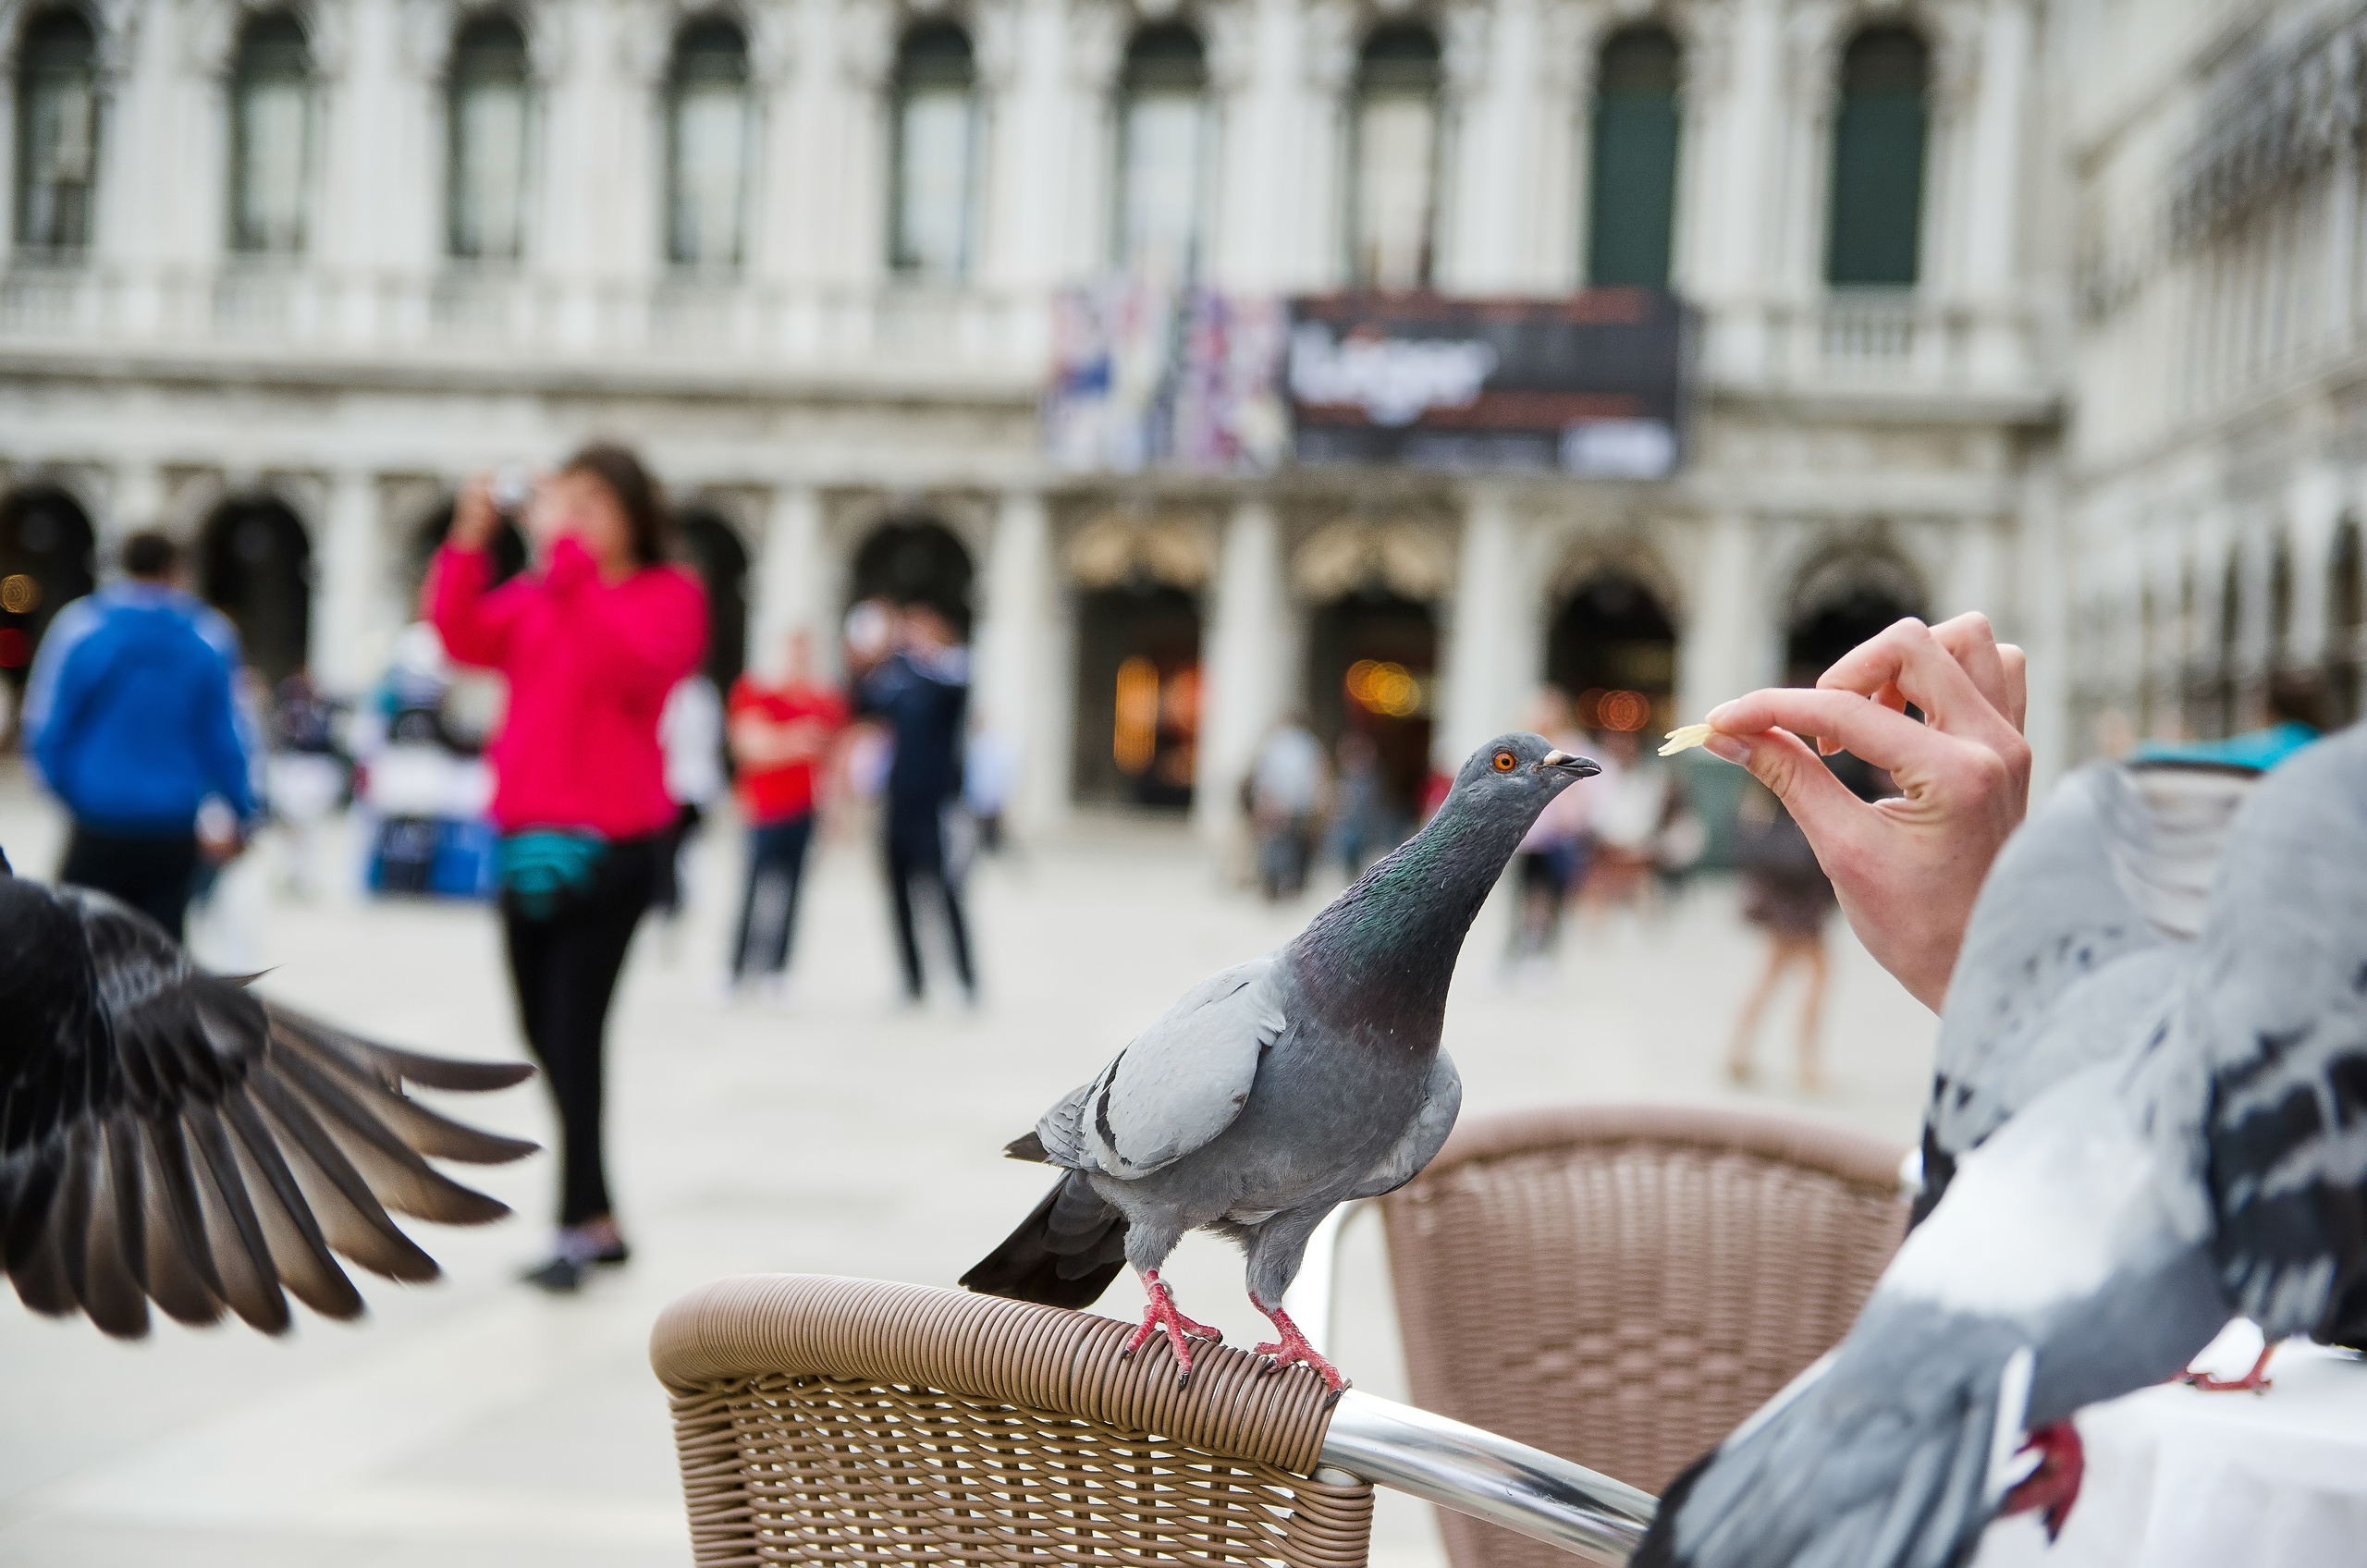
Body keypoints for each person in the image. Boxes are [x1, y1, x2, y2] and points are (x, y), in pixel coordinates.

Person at [424, 444, 706, 1292]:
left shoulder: (667, 595)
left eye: (593, 504)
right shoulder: (544, 594)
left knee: (576, 1033)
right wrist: (471, 537)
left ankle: (577, 1226)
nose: (573, 520)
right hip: (523, 837)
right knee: (542, 1030)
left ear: (632, 514)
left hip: (612, 845)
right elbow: (460, 634)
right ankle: (600, 1215)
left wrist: (568, 561)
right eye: (563, 502)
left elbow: (635, 668)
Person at [1690, 612, 2032, 1011]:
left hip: (1801, 880)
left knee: (1790, 971)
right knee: (1803, 973)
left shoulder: (1811, 750)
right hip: (1800, 882)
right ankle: (1782, 1060)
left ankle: (1762, 1056)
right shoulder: (1825, 750)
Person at [20, 531, 255, 941]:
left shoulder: (81, 628)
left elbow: (46, 726)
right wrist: (242, 811)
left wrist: (70, 791)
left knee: (82, 949)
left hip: (97, 819)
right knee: (159, 952)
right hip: (173, 825)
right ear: (174, 571)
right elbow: (226, 736)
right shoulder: (207, 636)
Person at [857, 602, 975, 1003]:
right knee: (898, 894)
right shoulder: (897, 677)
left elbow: (952, 691)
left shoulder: (952, 672)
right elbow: (861, 704)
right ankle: (912, 980)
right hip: (898, 802)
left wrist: (918, 654)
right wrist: (868, 659)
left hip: (937, 806)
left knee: (946, 893)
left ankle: (965, 979)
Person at [725, 628, 849, 996]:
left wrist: (837, 810)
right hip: (764, 809)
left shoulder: (826, 701)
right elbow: (748, 745)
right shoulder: (757, 692)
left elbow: (835, 760)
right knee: (752, 889)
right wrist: (798, 740)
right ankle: (736, 967)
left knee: (794, 892)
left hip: (804, 809)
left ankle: (779, 970)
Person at [1725, 784, 1836, 1089]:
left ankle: (1738, 1054)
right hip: (1795, 903)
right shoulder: (1780, 788)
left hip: (1786, 901)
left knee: (1771, 975)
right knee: (1815, 977)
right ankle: (1808, 1067)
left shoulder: (1759, 794)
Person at [655, 671, 726, 929]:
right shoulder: (696, 691)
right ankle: (671, 900)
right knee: (676, 849)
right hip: (678, 783)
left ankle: (679, 901)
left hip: (688, 784)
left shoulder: (697, 692)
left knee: (687, 849)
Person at [1249, 715, 1324, 900]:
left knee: (1276, 841)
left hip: (1277, 801)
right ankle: (1288, 882)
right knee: (1292, 843)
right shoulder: (1307, 744)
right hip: (1298, 803)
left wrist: (1266, 801)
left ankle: (1273, 881)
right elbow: (1314, 775)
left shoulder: (1274, 744)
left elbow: (1264, 775)